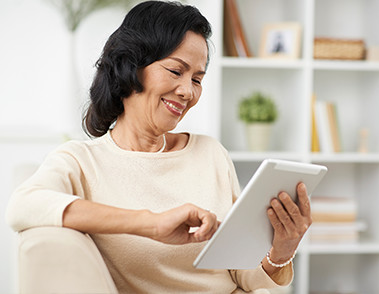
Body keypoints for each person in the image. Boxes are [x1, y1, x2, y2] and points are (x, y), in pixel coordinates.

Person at [6, 1, 312, 293]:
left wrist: (281, 252)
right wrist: (150, 223)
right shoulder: (81, 161)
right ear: (131, 66)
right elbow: (24, 205)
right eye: (176, 71)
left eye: (197, 78)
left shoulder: (211, 153)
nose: (187, 91)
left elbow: (241, 273)